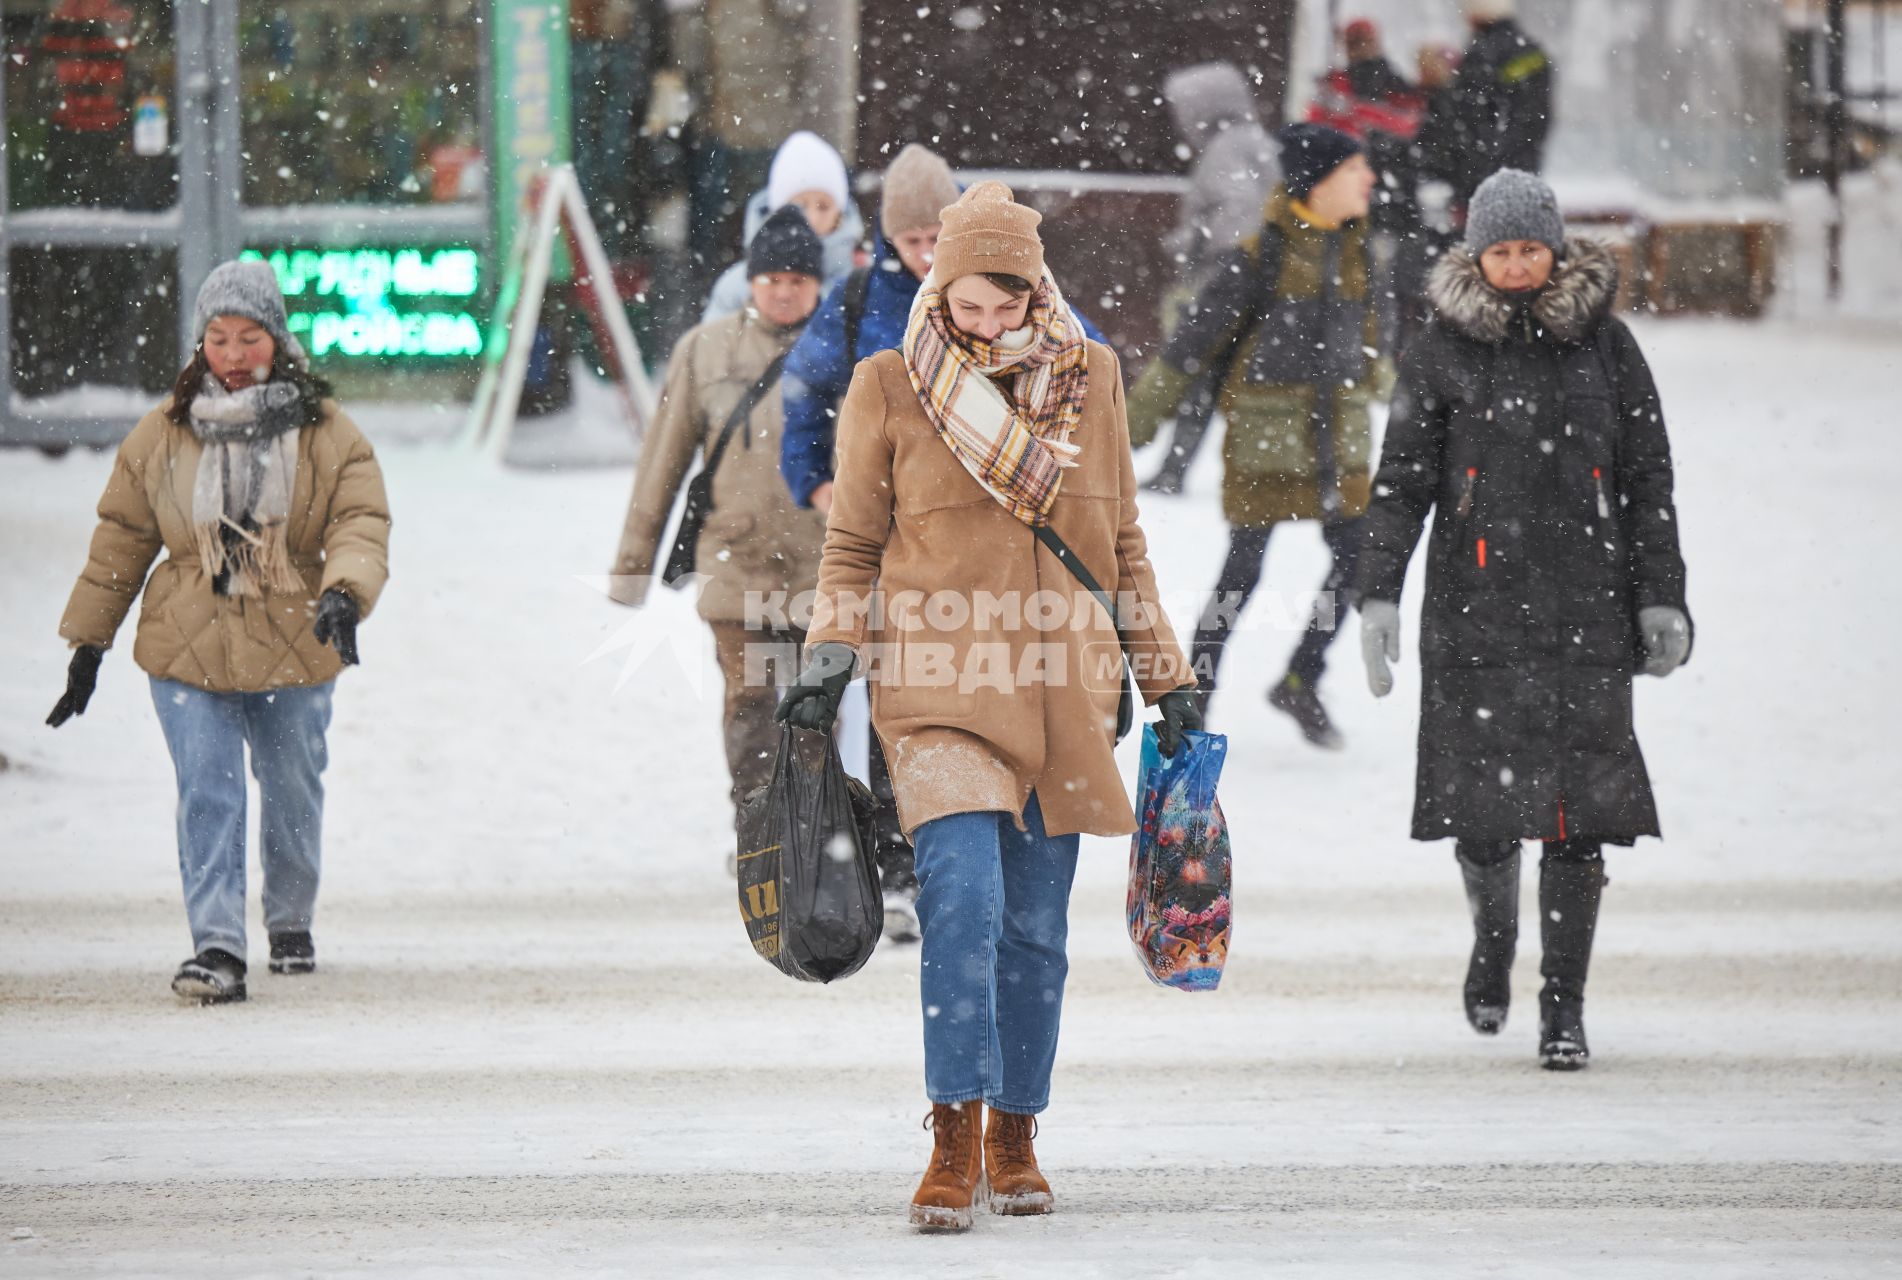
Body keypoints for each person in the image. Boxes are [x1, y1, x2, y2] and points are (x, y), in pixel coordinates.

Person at [775, 182, 1200, 1232]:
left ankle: (1017, 1124)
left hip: (1063, 685)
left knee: (1035, 930)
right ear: (937, 285)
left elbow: (1122, 543)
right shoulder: (888, 384)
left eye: (1006, 304)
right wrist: (832, 649)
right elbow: (852, 545)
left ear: (1034, 288)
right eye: (967, 305)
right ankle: (953, 1130)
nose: (988, 325)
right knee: (961, 902)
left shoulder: (1090, 379)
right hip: (936, 684)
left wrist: (1168, 678)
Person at [1355, 170, 1693, 1071]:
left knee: (1580, 821)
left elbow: (1648, 481)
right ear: (1475, 254)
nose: (1515, 267)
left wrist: (1662, 593)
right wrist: (1377, 593)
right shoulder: (1440, 350)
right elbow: (1399, 489)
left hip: (1590, 609)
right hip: (1476, 615)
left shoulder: (1608, 347)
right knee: (1484, 818)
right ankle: (1495, 943)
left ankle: (1564, 1007)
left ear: (1555, 250)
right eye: (1499, 252)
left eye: (1529, 250)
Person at [47, 259, 391, 1005]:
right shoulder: (161, 434)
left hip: (297, 637)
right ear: (200, 342)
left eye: (249, 337)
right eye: (218, 338)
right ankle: (218, 947)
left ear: (278, 340)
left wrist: (344, 592)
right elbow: (122, 538)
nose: (234, 355)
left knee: (292, 787)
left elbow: (361, 521)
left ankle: (290, 920)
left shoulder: (329, 433)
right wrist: (89, 643)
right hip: (185, 640)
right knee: (209, 791)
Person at [1126, 123, 1389, 749]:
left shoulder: (1361, 256)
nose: (1371, 181)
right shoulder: (1261, 255)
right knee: (1240, 577)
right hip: (1266, 445)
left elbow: (1377, 349)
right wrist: (1130, 427)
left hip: (1341, 446)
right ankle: (1189, 704)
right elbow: (1191, 346)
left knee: (1358, 562)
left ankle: (1301, 678)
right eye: (1357, 169)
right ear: (1321, 182)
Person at [610, 208, 828, 866]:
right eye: (770, 277)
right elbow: (663, 464)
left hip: (825, 566)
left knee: (817, 708)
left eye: (797, 278)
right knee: (752, 701)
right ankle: (760, 835)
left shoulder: (845, 348)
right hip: (738, 564)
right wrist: (631, 567)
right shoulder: (706, 350)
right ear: (750, 280)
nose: (783, 290)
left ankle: (815, 836)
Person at [1142, 62, 1281, 497]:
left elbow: (1237, 212)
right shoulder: (1258, 142)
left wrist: (1191, 242)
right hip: (1261, 279)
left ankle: (1173, 470)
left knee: (1195, 375)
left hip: (1227, 280)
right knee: (1229, 380)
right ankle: (1180, 469)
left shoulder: (1224, 150)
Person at [701, 130, 866, 324]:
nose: (812, 217)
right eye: (800, 205)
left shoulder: (863, 283)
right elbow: (711, 349)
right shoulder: (736, 287)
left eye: (824, 206)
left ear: (839, 213)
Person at [1414, 0, 1553, 211]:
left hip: (1482, 181)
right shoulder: (1533, 51)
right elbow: (1535, 119)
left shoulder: (1481, 54)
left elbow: (1467, 120)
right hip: (1523, 174)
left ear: (1474, 14)